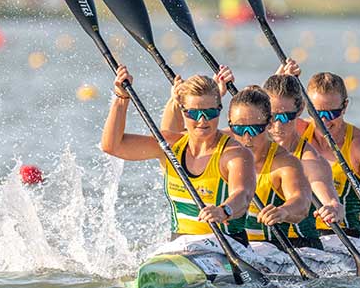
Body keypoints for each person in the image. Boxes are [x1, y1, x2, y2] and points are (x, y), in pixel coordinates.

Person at [101, 65, 256, 246]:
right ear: (183, 112)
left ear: (220, 110)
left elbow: (242, 194)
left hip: (229, 246)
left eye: (210, 112)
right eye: (194, 113)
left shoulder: (236, 154)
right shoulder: (169, 145)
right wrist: (122, 97)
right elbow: (112, 146)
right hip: (181, 247)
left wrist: (224, 211)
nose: (202, 120)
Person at [162, 74, 316, 249]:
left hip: (290, 248)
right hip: (245, 247)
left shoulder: (286, 162)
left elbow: (301, 202)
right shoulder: (227, 148)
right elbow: (173, 135)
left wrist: (283, 211)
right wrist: (176, 102)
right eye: (239, 129)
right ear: (230, 126)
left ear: (268, 125)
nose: (246, 137)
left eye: (255, 128)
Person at [279, 61, 360, 236]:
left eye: (331, 114)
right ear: (306, 108)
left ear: (345, 106)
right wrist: (281, 81)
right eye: (317, 113)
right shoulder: (294, 132)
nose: (324, 121)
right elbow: (262, 120)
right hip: (297, 239)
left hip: (343, 237)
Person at [262, 72, 344, 242]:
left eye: (286, 117)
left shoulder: (310, 160)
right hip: (259, 245)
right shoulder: (249, 142)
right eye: (272, 117)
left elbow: (327, 195)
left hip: (301, 247)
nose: (277, 126)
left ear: (299, 111)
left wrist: (333, 207)